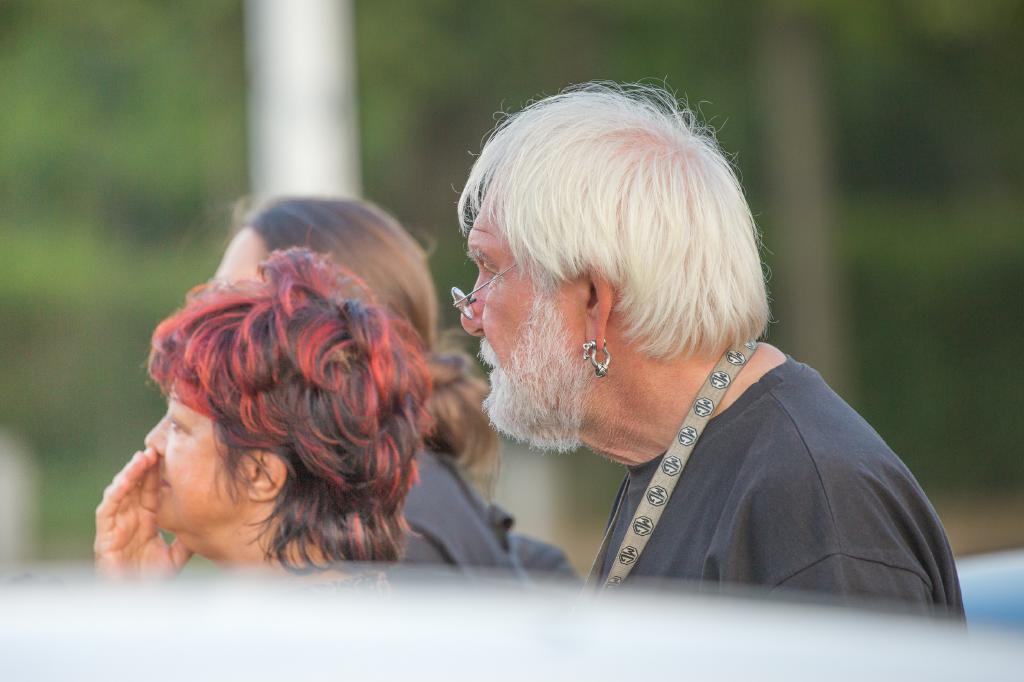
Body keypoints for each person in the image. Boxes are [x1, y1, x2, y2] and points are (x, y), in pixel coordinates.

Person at [452, 82, 963, 616]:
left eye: (489, 269)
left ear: (594, 302)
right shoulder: (685, 453)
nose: (472, 315)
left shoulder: (814, 506)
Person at [216, 198, 576, 581]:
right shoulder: (386, 502)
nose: (203, 330)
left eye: (236, 307)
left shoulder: (379, 527)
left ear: (333, 333)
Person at [94, 248, 431, 585]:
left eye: (178, 427)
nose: (153, 441)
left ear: (260, 474)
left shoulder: (309, 618)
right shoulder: (343, 605)